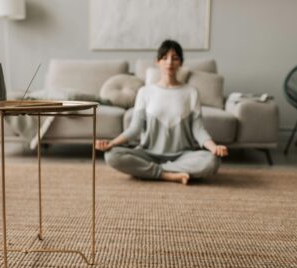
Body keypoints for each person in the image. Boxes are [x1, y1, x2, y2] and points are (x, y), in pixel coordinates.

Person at [96, 40, 228, 185]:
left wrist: (214, 147)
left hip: (182, 156)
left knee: (212, 161)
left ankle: (151, 172)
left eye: (175, 58)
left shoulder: (191, 92)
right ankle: (168, 175)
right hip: (148, 154)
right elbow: (134, 129)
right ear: (157, 62)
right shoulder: (145, 92)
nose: (169, 62)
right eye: (164, 57)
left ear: (181, 63)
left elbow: (198, 130)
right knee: (112, 156)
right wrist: (111, 143)